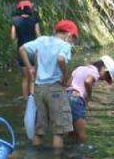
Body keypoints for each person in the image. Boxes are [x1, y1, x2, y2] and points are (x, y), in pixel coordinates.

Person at [19, 19, 78, 149]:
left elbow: (22, 49)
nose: (72, 42)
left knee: (39, 130)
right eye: (73, 38)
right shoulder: (65, 46)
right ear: (69, 34)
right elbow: (61, 59)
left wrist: (30, 68)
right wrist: (65, 75)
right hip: (55, 89)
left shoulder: (42, 40)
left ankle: (35, 158)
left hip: (39, 90)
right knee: (59, 131)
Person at [67, 56, 114, 143]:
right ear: (103, 68)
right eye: (107, 76)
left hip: (66, 98)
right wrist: (88, 97)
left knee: (71, 132)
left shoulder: (80, 68)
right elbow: (88, 81)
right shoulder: (94, 72)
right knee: (82, 135)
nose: (104, 80)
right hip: (76, 101)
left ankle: (68, 153)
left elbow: (68, 84)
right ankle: (83, 155)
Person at [11, 0, 41, 98]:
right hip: (34, 50)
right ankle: (32, 99)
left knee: (25, 77)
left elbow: (13, 37)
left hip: (21, 50)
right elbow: (38, 34)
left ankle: (25, 99)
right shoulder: (34, 19)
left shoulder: (15, 20)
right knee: (33, 76)